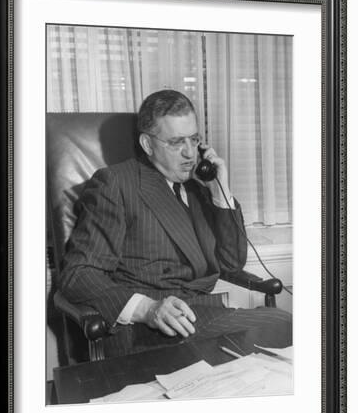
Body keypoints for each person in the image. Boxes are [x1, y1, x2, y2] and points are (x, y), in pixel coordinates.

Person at [59, 90, 291, 357]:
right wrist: (147, 309)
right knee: (282, 327)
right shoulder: (116, 183)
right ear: (147, 145)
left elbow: (231, 263)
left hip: (204, 316)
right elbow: (78, 273)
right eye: (176, 142)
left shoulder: (197, 188)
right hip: (151, 331)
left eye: (194, 140)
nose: (190, 154)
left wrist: (220, 191)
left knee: (283, 330)